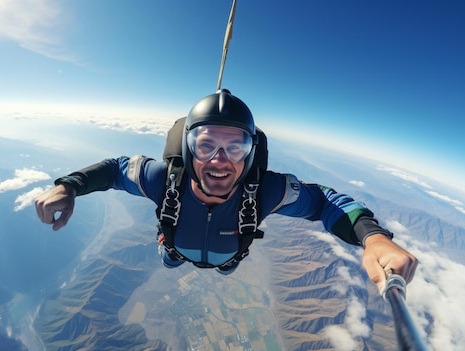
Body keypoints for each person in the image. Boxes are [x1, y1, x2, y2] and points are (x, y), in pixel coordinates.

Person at [35, 89, 417, 294]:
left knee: (225, 265)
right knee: (173, 258)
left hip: (225, 256)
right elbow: (116, 169)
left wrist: (373, 237)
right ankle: (179, 256)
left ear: (251, 153)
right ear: (187, 149)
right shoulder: (163, 180)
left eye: (235, 146)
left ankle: (211, 261)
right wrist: (70, 186)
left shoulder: (262, 192)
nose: (220, 160)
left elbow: (324, 201)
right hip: (178, 250)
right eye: (206, 145)